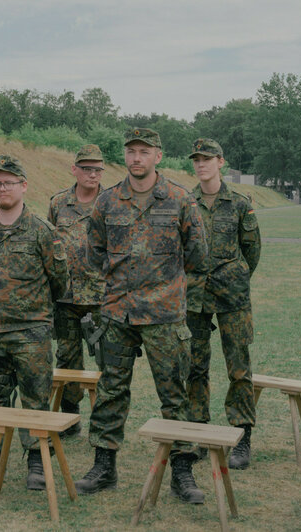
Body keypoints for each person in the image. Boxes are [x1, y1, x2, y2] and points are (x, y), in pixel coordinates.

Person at [75, 127, 209, 503]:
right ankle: (104, 466)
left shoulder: (180, 200)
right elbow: (94, 253)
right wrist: (121, 284)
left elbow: (198, 256)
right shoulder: (107, 201)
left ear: (158, 156)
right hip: (118, 313)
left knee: (175, 393)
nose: (137, 158)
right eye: (131, 151)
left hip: (165, 315)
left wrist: (165, 287)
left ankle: (182, 471)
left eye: (144, 151)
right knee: (110, 391)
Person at [0, 155, 68, 489]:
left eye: (9, 182)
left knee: (35, 399)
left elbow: (59, 281)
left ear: (24, 186)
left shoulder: (42, 232)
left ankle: (37, 462)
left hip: (29, 333)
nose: (3, 188)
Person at [186, 138, 261, 470]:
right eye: (197, 160)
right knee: (194, 367)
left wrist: (235, 276)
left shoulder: (240, 203)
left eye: (207, 159)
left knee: (239, 367)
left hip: (232, 296)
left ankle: (242, 437)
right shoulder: (185, 202)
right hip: (195, 297)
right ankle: (198, 434)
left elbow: (252, 250)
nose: (201, 164)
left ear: (221, 162)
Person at [47, 144, 106, 436]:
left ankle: (106, 420)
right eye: (86, 168)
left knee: (108, 358)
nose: (92, 174)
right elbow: (49, 245)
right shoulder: (59, 203)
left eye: (97, 169)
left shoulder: (112, 202)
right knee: (67, 358)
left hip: (101, 297)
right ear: (75, 170)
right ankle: (71, 418)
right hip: (66, 297)